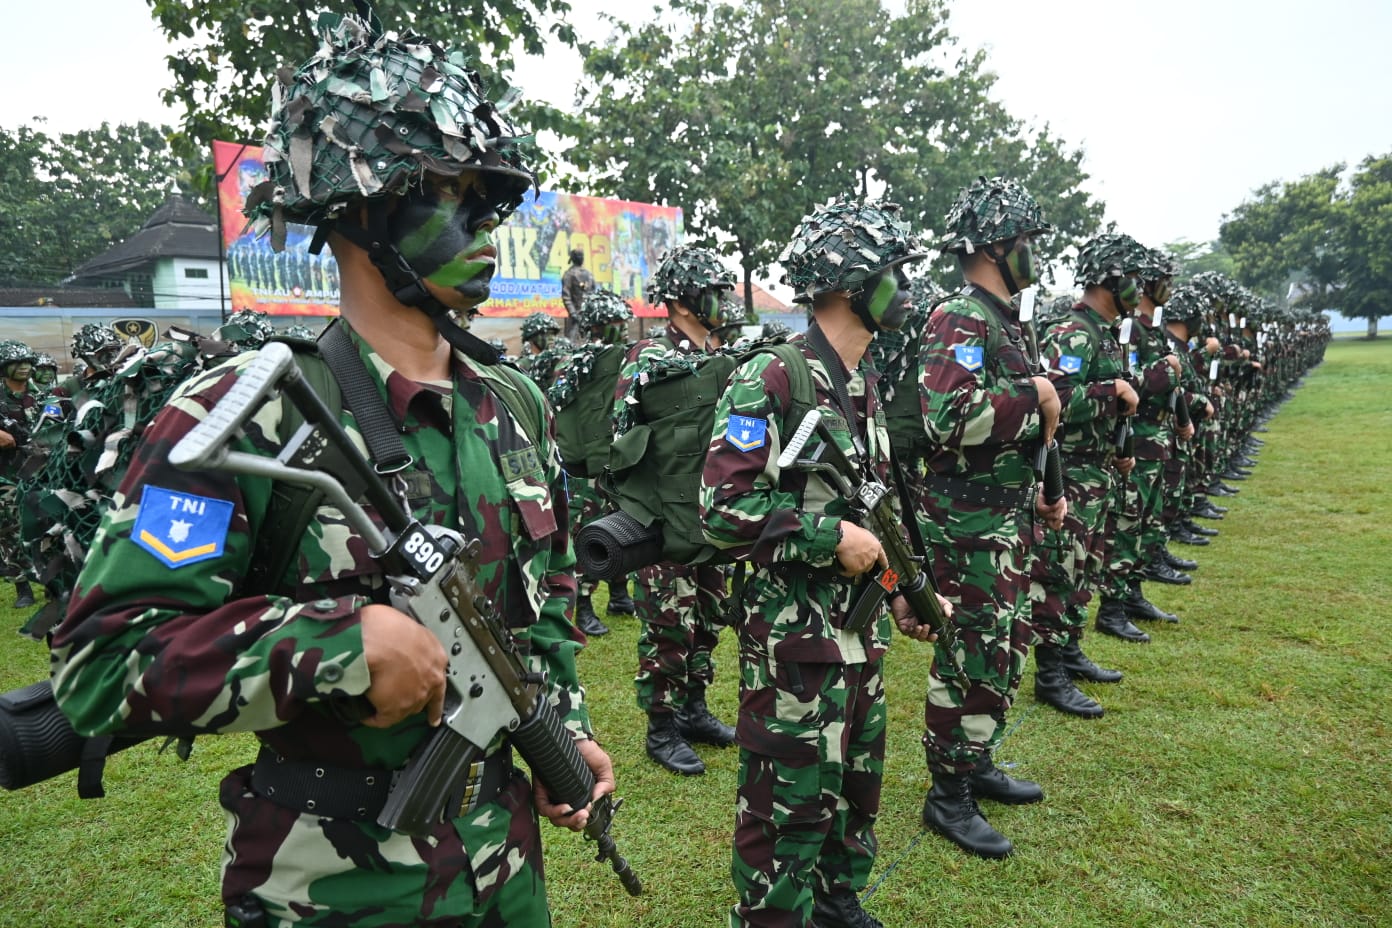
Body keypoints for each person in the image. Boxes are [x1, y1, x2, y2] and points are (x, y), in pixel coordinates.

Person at [50, 8, 614, 925]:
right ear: (363, 206)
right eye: (449, 194)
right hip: (332, 885)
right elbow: (103, 662)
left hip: (507, 867)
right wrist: (339, 648)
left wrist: (563, 730)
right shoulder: (245, 409)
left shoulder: (515, 405)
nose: (484, 225)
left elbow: (539, 608)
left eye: (491, 200)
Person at [701, 197, 944, 928]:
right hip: (793, 644)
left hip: (856, 636)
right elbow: (720, 510)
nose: (905, 287)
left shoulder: (864, 383)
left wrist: (900, 590)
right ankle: (772, 915)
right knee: (788, 798)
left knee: (855, 785)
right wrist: (825, 537)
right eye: (893, 272)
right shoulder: (772, 379)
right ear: (850, 283)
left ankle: (838, 900)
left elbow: (875, 512)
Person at [914, 176, 1066, 858]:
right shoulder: (960, 318)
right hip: (965, 525)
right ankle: (947, 794)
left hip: (1004, 519)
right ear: (998, 247)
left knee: (1004, 646)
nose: (1034, 253)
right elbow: (949, 417)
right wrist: (1032, 400)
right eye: (1027, 241)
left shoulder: (1005, 319)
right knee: (967, 651)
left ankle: (976, 760)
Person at [613, 245, 744, 776]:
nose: (722, 302)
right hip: (666, 518)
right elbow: (620, 440)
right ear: (681, 301)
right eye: (712, 292)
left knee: (709, 613)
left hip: (713, 513)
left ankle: (693, 709)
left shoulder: (722, 353)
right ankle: (660, 726)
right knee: (669, 619)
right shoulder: (648, 357)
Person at [1030, 233, 1144, 713]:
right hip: (1070, 474)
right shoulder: (1073, 333)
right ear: (1110, 279)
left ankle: (1070, 650)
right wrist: (1110, 390)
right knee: (1060, 571)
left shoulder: (1104, 331)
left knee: (1085, 571)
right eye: (1132, 279)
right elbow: (1054, 402)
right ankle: (1050, 674)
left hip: (1098, 472)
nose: (1138, 289)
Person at [0, 340, 39, 607]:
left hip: (45, 468)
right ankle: (23, 587)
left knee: (51, 525)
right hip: (6, 474)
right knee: (10, 529)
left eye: (27, 362)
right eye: (17, 362)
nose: (24, 367)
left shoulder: (46, 392)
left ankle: (56, 580)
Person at [561, 247, 595, 341]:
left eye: (582, 255)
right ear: (573, 258)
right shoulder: (569, 274)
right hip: (575, 317)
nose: (581, 257)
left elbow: (594, 293)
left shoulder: (589, 274)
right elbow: (566, 296)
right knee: (571, 343)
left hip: (589, 316)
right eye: (578, 255)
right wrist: (573, 313)